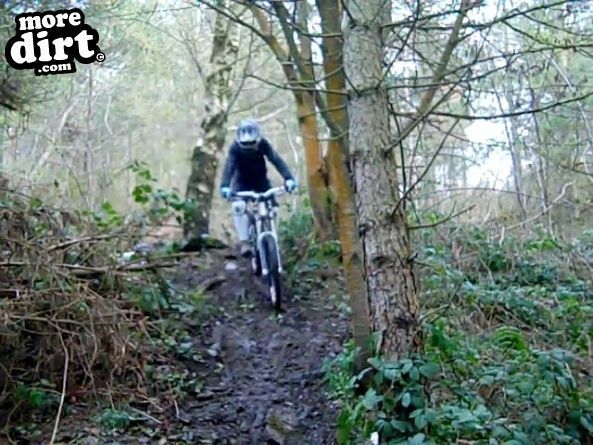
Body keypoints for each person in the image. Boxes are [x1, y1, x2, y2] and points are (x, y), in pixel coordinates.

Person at [220, 119, 297, 256]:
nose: (249, 148)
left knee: (273, 209)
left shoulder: (263, 144)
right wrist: (225, 185)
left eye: (252, 144)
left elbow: (276, 160)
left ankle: (272, 235)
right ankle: (245, 242)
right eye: (245, 145)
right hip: (241, 183)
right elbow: (229, 166)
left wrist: (288, 178)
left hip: (261, 182)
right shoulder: (235, 148)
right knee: (238, 207)